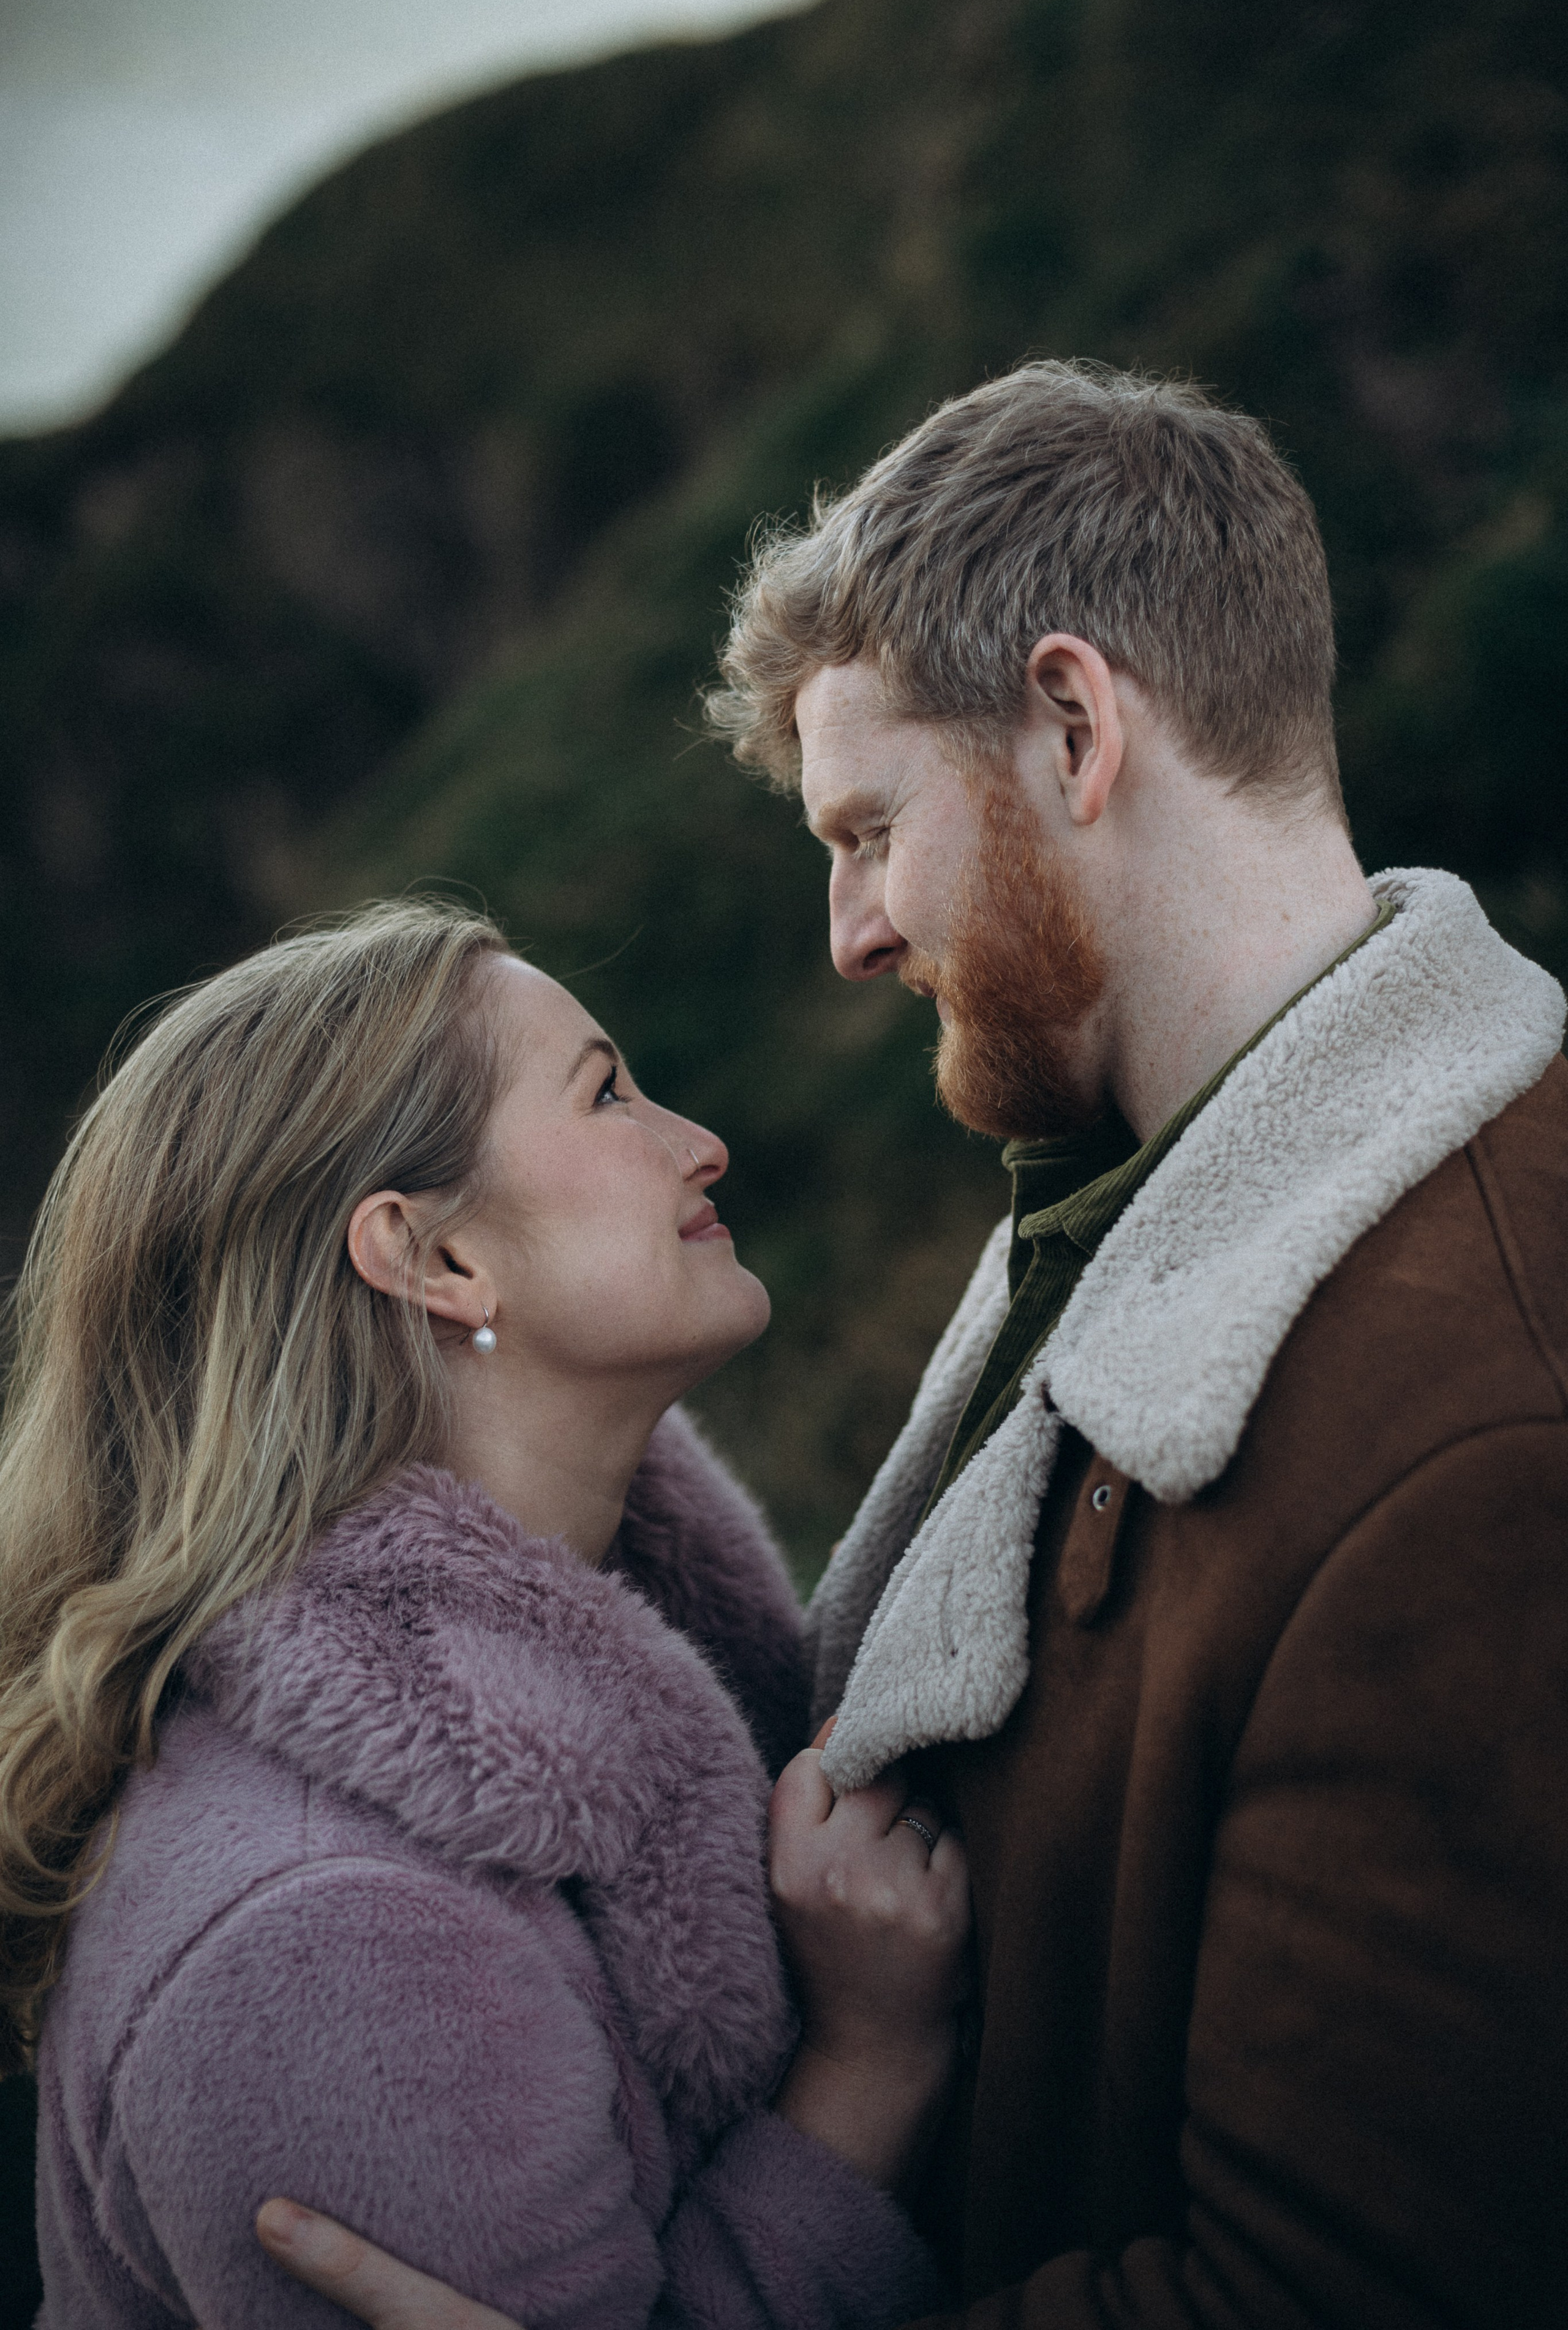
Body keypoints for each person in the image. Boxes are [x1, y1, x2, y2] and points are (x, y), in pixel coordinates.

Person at [264, 361, 1568, 2330]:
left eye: (868, 828)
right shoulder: (1126, 1195)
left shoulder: (1482, 1415)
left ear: (1073, 723)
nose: (850, 934)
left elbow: (1349, 2289)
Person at [0, 898, 970, 2326]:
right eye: (606, 1095)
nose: (697, 1142)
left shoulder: (627, 1652)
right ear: (436, 1260)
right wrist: (868, 2067)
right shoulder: (327, 1939)